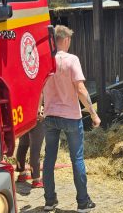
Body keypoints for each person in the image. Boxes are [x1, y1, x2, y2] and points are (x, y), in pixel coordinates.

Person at [42, 25, 101, 212]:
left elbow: (39, 88)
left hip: (50, 115)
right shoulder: (72, 60)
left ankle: (49, 201)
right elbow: (81, 90)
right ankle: (83, 202)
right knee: (77, 159)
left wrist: (38, 109)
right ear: (66, 40)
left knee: (49, 160)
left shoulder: (46, 59)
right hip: (71, 117)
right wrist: (93, 113)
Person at [15, 94, 46, 188]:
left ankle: (21, 174)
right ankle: (36, 179)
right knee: (35, 148)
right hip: (35, 115)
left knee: (23, 145)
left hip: (24, 113)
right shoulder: (38, 79)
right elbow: (40, 93)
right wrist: (38, 111)